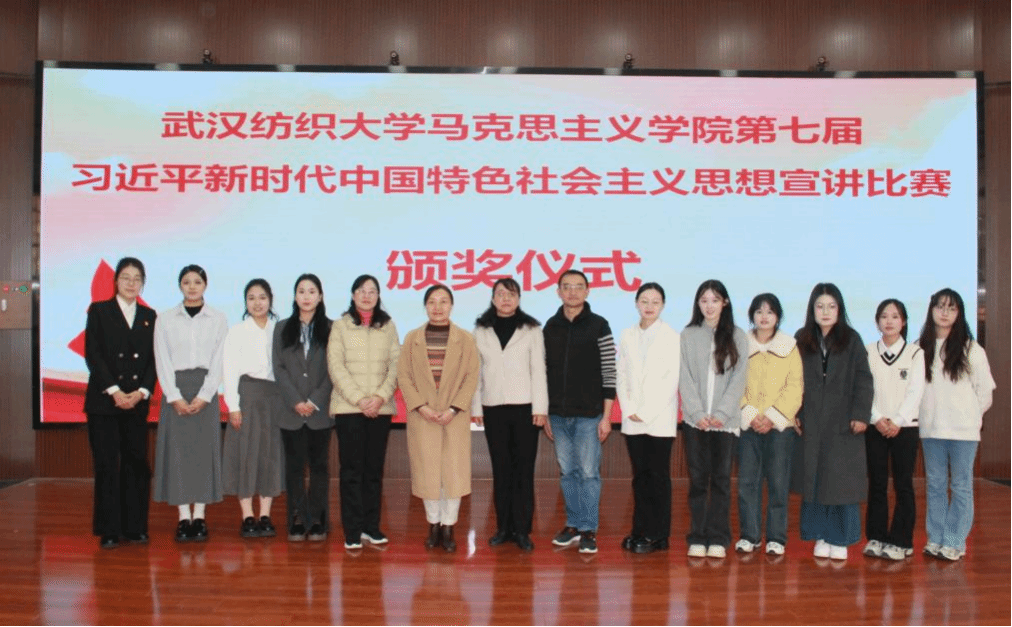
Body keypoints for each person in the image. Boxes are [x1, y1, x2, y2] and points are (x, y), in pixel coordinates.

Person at [792, 282, 873, 561]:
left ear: (840, 309)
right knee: (815, 480)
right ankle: (820, 535)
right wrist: (795, 413)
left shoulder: (852, 339)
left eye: (831, 306)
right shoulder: (802, 338)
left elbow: (864, 379)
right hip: (811, 421)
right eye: (820, 306)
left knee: (840, 482)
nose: (825, 312)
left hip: (843, 422)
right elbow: (792, 380)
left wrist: (861, 414)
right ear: (812, 309)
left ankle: (840, 538)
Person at [397, 284, 479, 552]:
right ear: (425, 306)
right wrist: (421, 407)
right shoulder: (412, 338)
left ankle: (449, 526)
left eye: (444, 301)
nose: (438, 307)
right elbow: (404, 377)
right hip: (423, 416)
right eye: (432, 301)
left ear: (452, 306)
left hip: (454, 416)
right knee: (428, 472)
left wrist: (454, 408)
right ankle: (433, 524)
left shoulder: (465, 339)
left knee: (452, 474)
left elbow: (471, 377)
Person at [83, 257, 156, 549]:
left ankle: (135, 527)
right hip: (104, 401)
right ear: (116, 281)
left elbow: (154, 359)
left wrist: (142, 391)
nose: (131, 283)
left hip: (137, 402)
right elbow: (93, 354)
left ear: (143, 284)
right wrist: (114, 390)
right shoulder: (99, 311)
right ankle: (109, 528)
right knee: (107, 464)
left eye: (137, 279)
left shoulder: (150, 316)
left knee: (136, 463)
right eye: (126, 277)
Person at [916, 288, 995, 562]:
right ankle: (936, 538)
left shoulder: (972, 349)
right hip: (931, 429)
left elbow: (985, 392)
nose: (945, 312)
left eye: (951, 308)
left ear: (959, 313)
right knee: (935, 485)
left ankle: (954, 541)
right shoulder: (919, 348)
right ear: (931, 310)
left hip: (963, 432)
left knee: (961, 486)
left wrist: (970, 416)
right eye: (940, 306)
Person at [471, 277, 548, 551]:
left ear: (519, 299)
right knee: (501, 469)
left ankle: (522, 530)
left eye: (511, 294)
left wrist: (540, 408)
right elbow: (476, 372)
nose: (506, 299)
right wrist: (476, 407)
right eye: (501, 294)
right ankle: (503, 527)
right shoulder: (481, 330)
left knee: (524, 471)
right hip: (493, 408)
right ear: (493, 298)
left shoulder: (532, 329)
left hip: (525, 408)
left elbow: (539, 370)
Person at [152, 264, 228, 543]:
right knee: (179, 455)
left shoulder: (218, 318)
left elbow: (220, 359)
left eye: (197, 281)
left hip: (206, 391)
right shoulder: (165, 319)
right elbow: (162, 359)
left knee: (203, 455)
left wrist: (205, 395)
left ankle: (201, 516)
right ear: (180, 286)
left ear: (205, 285)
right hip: (176, 390)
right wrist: (173, 396)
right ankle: (184, 517)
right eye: (187, 282)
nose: (192, 286)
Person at [543, 269, 616, 555]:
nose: (572, 292)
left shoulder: (600, 325)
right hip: (558, 415)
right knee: (567, 472)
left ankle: (588, 529)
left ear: (587, 291)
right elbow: (544, 373)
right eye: (567, 287)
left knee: (588, 472)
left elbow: (609, 372)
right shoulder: (550, 327)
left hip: (589, 414)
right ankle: (573, 524)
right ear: (558, 292)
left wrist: (607, 416)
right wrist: (545, 413)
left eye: (578, 286)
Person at [328, 274, 401, 550]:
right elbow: (336, 366)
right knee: (351, 471)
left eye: (372, 291)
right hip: (349, 408)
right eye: (361, 290)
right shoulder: (340, 326)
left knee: (373, 470)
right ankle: (352, 530)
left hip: (380, 409)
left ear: (378, 296)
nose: (367, 295)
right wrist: (360, 400)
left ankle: (371, 527)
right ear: (353, 295)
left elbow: (396, 365)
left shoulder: (388, 326)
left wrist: (380, 397)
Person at [678, 279, 749, 559]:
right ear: (698, 303)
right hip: (695, 422)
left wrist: (721, 413)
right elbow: (684, 376)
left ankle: (718, 537)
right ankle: (697, 535)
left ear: (725, 303)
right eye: (704, 300)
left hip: (725, 422)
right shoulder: (688, 334)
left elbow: (739, 378)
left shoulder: (738, 335)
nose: (709, 306)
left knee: (720, 481)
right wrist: (697, 413)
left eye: (715, 300)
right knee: (698, 481)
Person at [735, 293, 803, 557]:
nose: (764, 317)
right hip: (748, 425)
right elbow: (733, 382)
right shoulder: (741, 344)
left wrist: (772, 417)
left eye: (770, 312)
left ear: (778, 316)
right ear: (752, 315)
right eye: (759, 311)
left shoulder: (789, 346)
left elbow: (795, 386)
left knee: (778, 483)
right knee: (747, 483)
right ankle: (749, 536)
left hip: (780, 428)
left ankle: (776, 538)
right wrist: (751, 414)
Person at [616, 282, 680, 554]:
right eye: (644, 301)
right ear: (636, 304)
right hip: (632, 417)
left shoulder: (672, 336)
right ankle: (639, 529)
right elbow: (621, 374)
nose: (649, 306)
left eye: (655, 302)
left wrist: (646, 412)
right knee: (640, 477)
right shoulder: (627, 334)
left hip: (659, 418)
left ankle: (658, 535)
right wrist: (629, 408)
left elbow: (671, 380)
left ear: (663, 305)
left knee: (658, 477)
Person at [863, 299, 925, 561]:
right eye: (884, 316)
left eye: (895, 316)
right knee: (877, 483)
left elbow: (916, 391)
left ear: (904, 321)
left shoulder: (915, 353)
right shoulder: (867, 351)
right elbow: (864, 389)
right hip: (874, 426)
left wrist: (897, 421)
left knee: (903, 484)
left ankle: (901, 540)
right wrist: (877, 418)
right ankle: (876, 537)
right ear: (877, 321)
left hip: (905, 427)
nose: (889, 321)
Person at [273, 274, 333, 542]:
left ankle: (318, 519)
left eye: (312, 291)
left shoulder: (331, 328)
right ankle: (297, 518)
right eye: (301, 291)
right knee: (294, 468)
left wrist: (315, 400)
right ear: (295, 296)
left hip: (321, 411)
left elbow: (334, 369)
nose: (306, 296)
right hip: (291, 410)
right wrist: (296, 400)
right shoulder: (282, 328)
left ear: (320, 297)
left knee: (319, 467)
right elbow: (279, 368)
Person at [222, 279, 284, 538]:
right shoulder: (237, 331)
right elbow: (229, 369)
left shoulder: (279, 330)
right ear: (245, 302)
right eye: (251, 298)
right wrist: (233, 406)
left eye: (262, 297)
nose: (257, 303)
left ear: (270, 300)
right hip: (246, 395)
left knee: (270, 455)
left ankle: (265, 514)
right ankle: (247, 515)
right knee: (245, 454)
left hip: (274, 398)